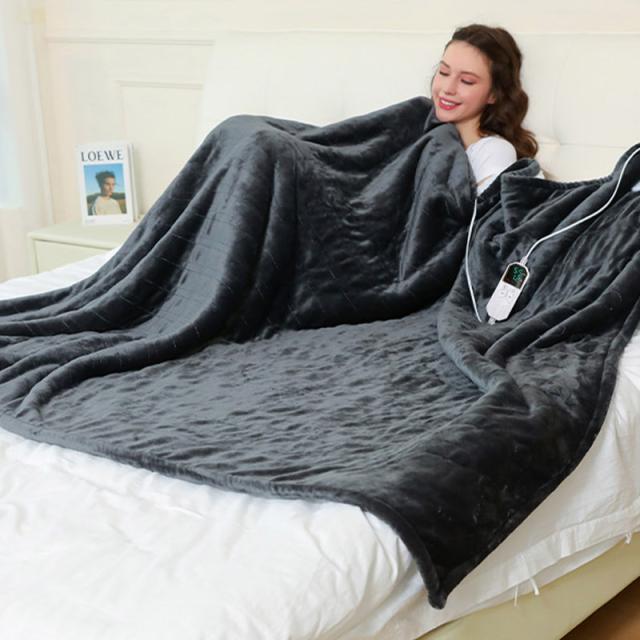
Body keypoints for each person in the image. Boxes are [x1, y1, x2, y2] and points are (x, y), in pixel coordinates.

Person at [430, 24, 542, 195]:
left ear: (493, 95)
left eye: (466, 81)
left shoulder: (494, 151)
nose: (448, 88)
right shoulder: (421, 132)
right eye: (444, 72)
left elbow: (489, 210)